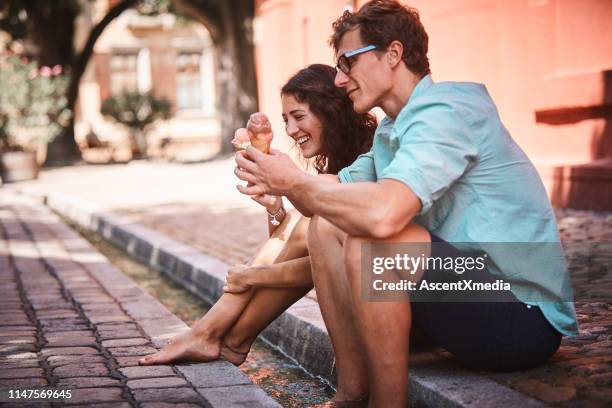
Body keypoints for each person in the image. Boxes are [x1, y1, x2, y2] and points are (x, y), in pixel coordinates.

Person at [234, 1, 579, 406]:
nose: (341, 81)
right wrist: (279, 180)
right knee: (328, 225)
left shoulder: (447, 112)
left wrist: (294, 182)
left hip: (522, 319)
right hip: (462, 300)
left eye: (347, 64)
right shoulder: (392, 131)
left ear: (393, 54)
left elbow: (382, 217)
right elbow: (324, 195)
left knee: (373, 245)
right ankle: (350, 393)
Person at [139, 64, 376, 366]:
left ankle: (214, 335)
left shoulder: (370, 157)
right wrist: (276, 207)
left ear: (332, 111)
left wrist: (251, 276)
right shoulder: (337, 161)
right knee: (304, 224)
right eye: (286, 120)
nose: (290, 130)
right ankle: (226, 339)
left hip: (392, 303)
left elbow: (324, 261)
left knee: (308, 223)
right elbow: (301, 252)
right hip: (370, 291)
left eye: (299, 117)